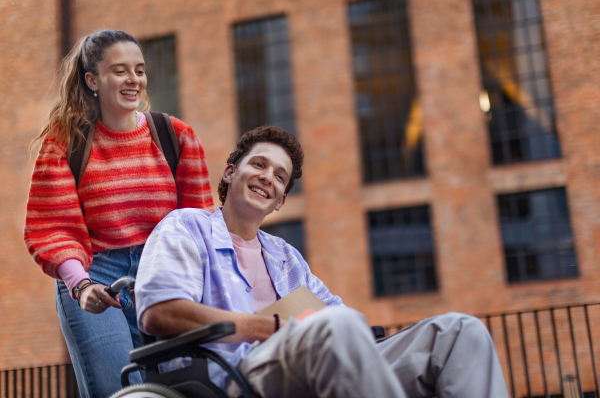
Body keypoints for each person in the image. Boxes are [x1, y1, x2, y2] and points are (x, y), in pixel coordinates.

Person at [134, 125, 509, 398]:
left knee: (460, 331)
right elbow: (159, 312)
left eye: (280, 176)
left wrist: (339, 331)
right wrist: (265, 328)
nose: (268, 178)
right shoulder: (187, 226)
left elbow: (339, 319)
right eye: (259, 165)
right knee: (337, 326)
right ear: (231, 172)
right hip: (233, 374)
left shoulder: (285, 256)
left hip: (312, 360)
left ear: (280, 200)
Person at [24, 30, 214, 398]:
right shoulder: (66, 141)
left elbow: (199, 224)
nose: (134, 80)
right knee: (120, 390)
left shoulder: (176, 135)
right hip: (96, 278)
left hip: (164, 274)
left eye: (139, 70)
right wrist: (80, 285)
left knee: (180, 389)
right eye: (120, 71)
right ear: (92, 80)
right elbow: (52, 227)